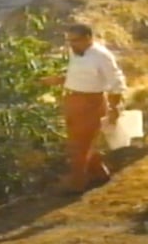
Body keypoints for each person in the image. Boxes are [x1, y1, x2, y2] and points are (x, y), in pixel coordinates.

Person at [41, 23, 127, 195]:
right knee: (81, 141)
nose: (72, 44)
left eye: (76, 40)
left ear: (89, 38)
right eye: (69, 40)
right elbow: (81, 75)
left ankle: (76, 183)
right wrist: (59, 80)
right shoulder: (77, 52)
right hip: (73, 100)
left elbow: (117, 82)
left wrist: (114, 107)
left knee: (79, 144)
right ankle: (100, 174)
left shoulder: (101, 55)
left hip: (91, 103)